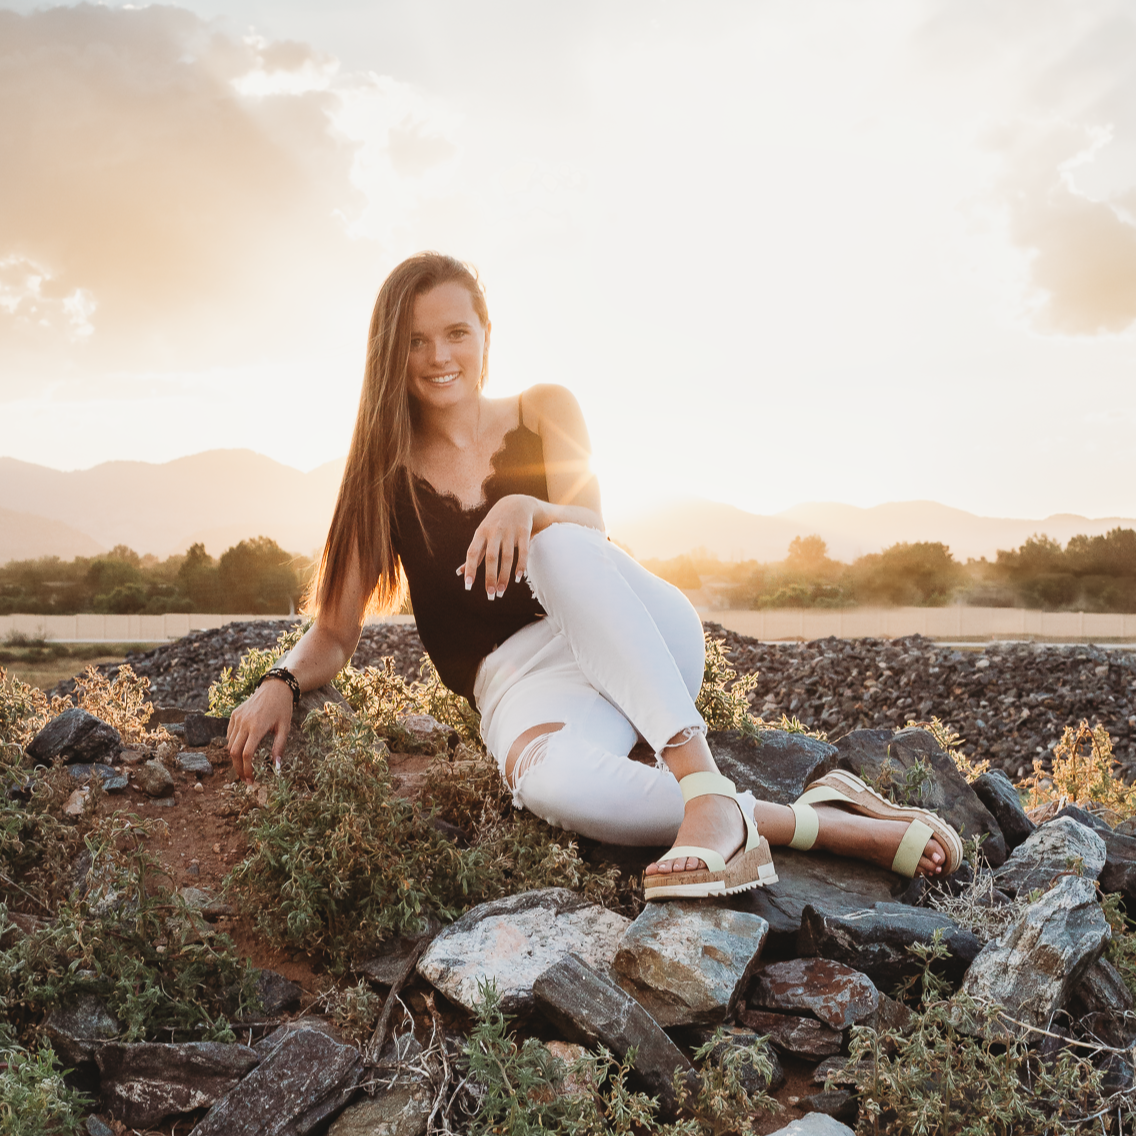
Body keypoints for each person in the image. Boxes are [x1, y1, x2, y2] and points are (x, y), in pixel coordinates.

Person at [226, 252, 962, 900]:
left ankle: (703, 786)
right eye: (416, 340)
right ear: (391, 352)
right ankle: (821, 823)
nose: (439, 356)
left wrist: (523, 506)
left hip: (636, 634)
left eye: (456, 333)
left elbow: (591, 536)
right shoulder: (382, 479)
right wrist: (281, 681)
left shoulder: (546, 409)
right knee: (549, 785)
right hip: (522, 685)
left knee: (554, 543)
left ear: (485, 335)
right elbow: (333, 631)